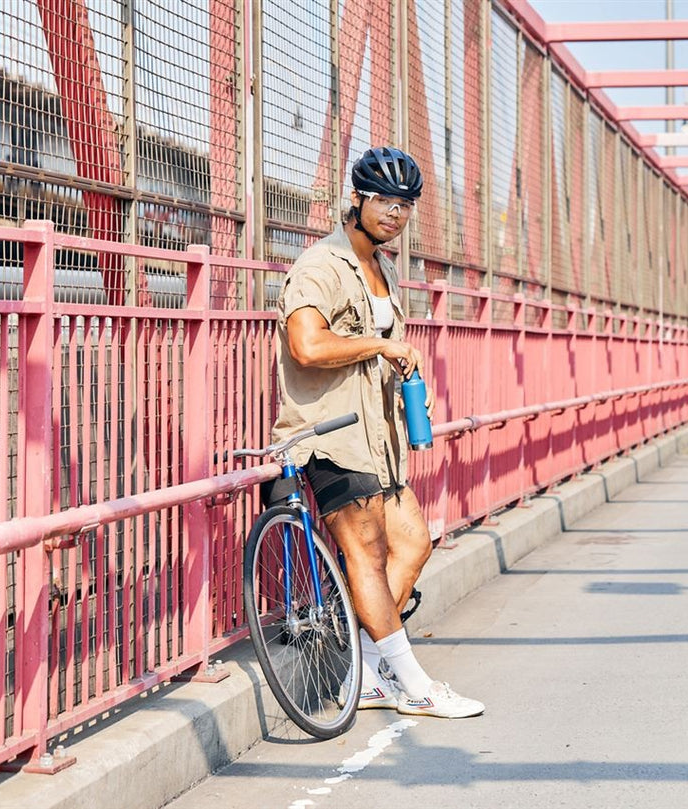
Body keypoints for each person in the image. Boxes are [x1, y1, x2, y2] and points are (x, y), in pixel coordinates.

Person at [272, 146, 484, 719]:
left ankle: (368, 674)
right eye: (385, 201)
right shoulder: (321, 265)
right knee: (365, 554)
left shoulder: (382, 268)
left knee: (413, 542)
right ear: (358, 199)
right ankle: (412, 683)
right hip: (330, 435)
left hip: (377, 436)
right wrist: (382, 345)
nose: (395, 213)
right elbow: (307, 346)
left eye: (406, 204)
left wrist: (402, 374)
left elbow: (374, 351)